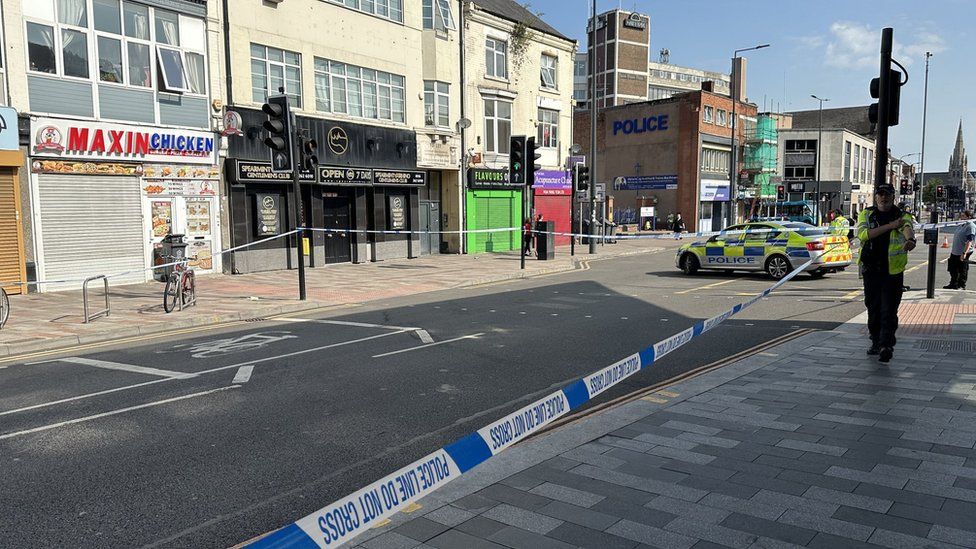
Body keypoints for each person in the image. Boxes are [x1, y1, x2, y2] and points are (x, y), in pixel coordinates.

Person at [856, 184, 916, 363]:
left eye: (887, 195)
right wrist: (891, 226)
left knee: (889, 310)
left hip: (892, 271)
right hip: (871, 269)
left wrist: (910, 239)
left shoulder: (901, 215)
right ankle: (875, 342)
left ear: (893, 197)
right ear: (875, 198)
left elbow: (907, 228)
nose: (883, 198)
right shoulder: (867, 214)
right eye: (880, 195)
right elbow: (864, 235)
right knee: (873, 308)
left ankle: (886, 345)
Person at [945, 210, 975, 290]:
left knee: (962, 269)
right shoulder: (961, 224)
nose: (961, 217)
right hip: (955, 251)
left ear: (969, 217)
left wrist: (964, 253)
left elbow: (970, 240)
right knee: (952, 268)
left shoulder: (970, 226)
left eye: (963, 216)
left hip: (963, 251)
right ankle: (953, 283)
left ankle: (961, 285)